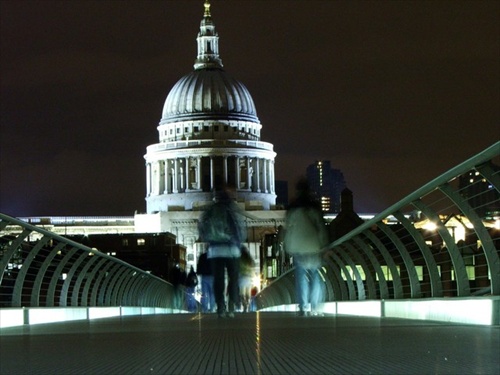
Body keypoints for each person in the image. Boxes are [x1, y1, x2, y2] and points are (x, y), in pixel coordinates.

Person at [198, 187, 246, 318]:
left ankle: (220, 307)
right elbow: (240, 228)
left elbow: (201, 226)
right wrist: (239, 241)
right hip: (232, 249)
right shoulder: (232, 209)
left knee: (218, 280)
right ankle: (231, 305)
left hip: (215, 249)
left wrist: (208, 239)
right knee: (233, 278)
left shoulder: (210, 210)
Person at [284, 178, 329, 316]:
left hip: (298, 247)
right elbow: (321, 227)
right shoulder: (314, 206)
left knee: (301, 277)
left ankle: (303, 307)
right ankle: (315, 307)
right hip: (313, 245)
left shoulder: (291, 207)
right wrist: (324, 245)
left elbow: (288, 229)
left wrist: (287, 246)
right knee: (316, 275)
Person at [197, 248, 215, 313]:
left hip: (204, 276)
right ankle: (212, 308)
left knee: (204, 293)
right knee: (212, 293)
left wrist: (199, 272)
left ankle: (205, 309)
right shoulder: (214, 257)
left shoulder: (202, 256)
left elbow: (199, 265)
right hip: (212, 276)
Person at [239, 246, 255, 313]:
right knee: (248, 293)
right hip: (249, 277)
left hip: (242, 276)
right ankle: (248, 304)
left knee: (242, 294)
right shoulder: (250, 259)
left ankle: (244, 304)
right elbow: (253, 265)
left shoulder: (239, 259)